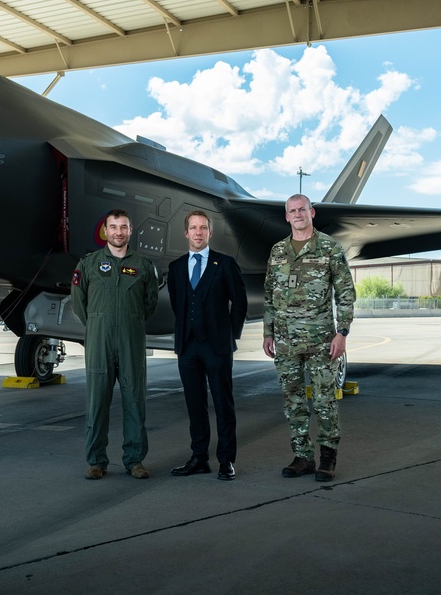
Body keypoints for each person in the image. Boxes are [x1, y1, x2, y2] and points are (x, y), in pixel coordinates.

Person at [262, 194, 355, 482]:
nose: (298, 214)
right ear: (287, 217)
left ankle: (328, 457)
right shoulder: (278, 251)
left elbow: (346, 293)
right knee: (293, 400)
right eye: (293, 210)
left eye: (303, 209)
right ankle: (302, 456)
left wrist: (343, 332)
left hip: (321, 341)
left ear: (312, 212)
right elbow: (269, 295)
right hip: (286, 342)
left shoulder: (329, 247)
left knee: (325, 400)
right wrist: (268, 332)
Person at [70, 209, 159, 480]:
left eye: (123, 227)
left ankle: (135, 461)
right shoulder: (88, 264)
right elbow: (78, 302)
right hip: (99, 341)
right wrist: (99, 323)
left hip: (131, 340)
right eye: (113, 227)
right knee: (97, 402)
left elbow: (150, 302)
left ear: (130, 231)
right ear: (105, 231)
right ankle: (96, 461)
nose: (118, 232)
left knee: (135, 400)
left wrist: (130, 321)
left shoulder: (143, 265)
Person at [167, 210, 247, 481]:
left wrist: (230, 335)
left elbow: (240, 302)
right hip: (188, 347)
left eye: (203, 228)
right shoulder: (176, 267)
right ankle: (199, 457)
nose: (198, 232)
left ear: (210, 233)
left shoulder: (224, 263)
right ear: (186, 232)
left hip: (217, 346)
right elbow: (179, 303)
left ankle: (226, 460)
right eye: (193, 227)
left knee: (223, 404)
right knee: (194, 404)